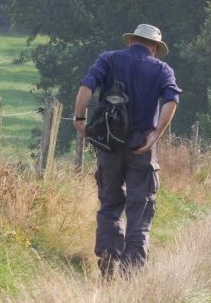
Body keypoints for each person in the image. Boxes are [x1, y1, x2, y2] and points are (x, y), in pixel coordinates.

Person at [73, 23, 181, 278]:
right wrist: (156, 134)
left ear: (132, 41)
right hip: (141, 146)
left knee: (109, 205)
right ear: (154, 47)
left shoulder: (108, 60)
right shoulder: (162, 69)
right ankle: (131, 273)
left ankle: (108, 264)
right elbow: (172, 100)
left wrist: (79, 119)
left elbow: (87, 86)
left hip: (109, 144)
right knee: (140, 209)